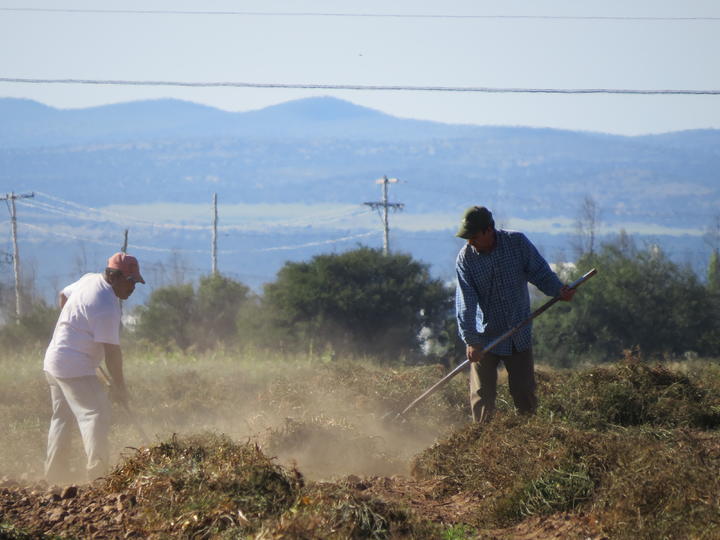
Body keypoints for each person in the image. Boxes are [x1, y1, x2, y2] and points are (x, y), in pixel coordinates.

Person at [454, 206, 574, 422]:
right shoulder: (466, 260)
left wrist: (558, 290)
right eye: (468, 237)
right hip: (485, 338)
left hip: (518, 332)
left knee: (523, 392)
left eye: (473, 236)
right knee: (482, 397)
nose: (470, 241)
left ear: (489, 230)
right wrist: (471, 340)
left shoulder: (516, 244)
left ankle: (528, 437)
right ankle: (481, 442)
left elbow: (540, 272)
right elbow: (466, 302)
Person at [43, 252, 145, 484]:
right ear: (116, 277)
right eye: (130, 282)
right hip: (73, 367)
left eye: (135, 283)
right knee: (96, 413)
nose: (133, 288)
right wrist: (119, 387)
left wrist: (72, 327)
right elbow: (112, 353)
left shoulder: (89, 279)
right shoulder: (107, 305)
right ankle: (98, 475)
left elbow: (63, 296)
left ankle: (54, 474)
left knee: (62, 417)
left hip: (54, 360)